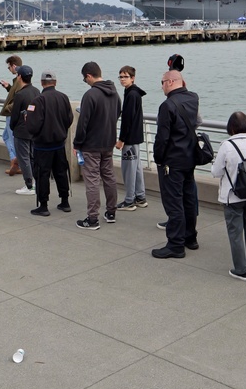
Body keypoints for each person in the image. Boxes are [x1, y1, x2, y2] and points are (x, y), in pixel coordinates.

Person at [151, 69, 201, 257]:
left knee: (174, 203)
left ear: (171, 82)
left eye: (162, 82)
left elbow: (162, 138)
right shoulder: (193, 98)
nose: (162, 86)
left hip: (172, 161)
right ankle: (191, 237)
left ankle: (175, 244)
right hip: (189, 158)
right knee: (189, 199)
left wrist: (158, 158)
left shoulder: (167, 106)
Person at [212, 111, 246, 280]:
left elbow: (216, 171)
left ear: (231, 128)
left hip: (232, 195)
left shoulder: (227, 146)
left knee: (235, 232)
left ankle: (241, 269)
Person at [72, 61, 121, 230]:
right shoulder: (115, 93)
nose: (86, 82)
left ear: (89, 76)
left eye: (85, 79)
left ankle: (92, 219)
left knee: (92, 180)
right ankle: (111, 212)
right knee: (109, 177)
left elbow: (83, 123)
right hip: (108, 142)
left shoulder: (90, 95)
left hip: (91, 145)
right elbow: (117, 114)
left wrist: (77, 144)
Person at [25, 70, 73, 216]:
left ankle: (43, 205)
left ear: (41, 83)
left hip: (42, 146)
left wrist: (28, 120)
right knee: (61, 172)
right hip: (59, 143)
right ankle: (65, 201)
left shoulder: (37, 101)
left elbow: (33, 126)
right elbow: (69, 119)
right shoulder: (64, 97)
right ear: (55, 82)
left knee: (42, 174)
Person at [116, 65, 148, 211]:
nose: (122, 79)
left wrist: (121, 139)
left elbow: (127, 119)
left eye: (125, 76)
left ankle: (129, 200)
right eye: (121, 77)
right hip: (136, 137)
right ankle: (140, 197)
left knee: (128, 170)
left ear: (132, 78)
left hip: (130, 139)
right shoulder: (132, 93)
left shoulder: (131, 95)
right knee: (136, 168)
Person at [9, 65, 40, 195]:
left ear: (19, 76)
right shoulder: (37, 91)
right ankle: (37, 183)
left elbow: (15, 116)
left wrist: (13, 127)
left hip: (21, 131)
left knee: (24, 158)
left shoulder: (20, 94)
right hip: (34, 130)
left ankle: (29, 185)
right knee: (33, 157)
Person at [0, 55, 24, 175]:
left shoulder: (19, 80)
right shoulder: (18, 80)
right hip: (14, 114)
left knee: (10, 138)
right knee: (7, 136)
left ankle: (15, 163)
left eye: (9, 67)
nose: (9, 69)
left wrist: (8, 107)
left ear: (14, 66)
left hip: (12, 114)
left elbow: (18, 98)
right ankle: (14, 161)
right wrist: (8, 87)